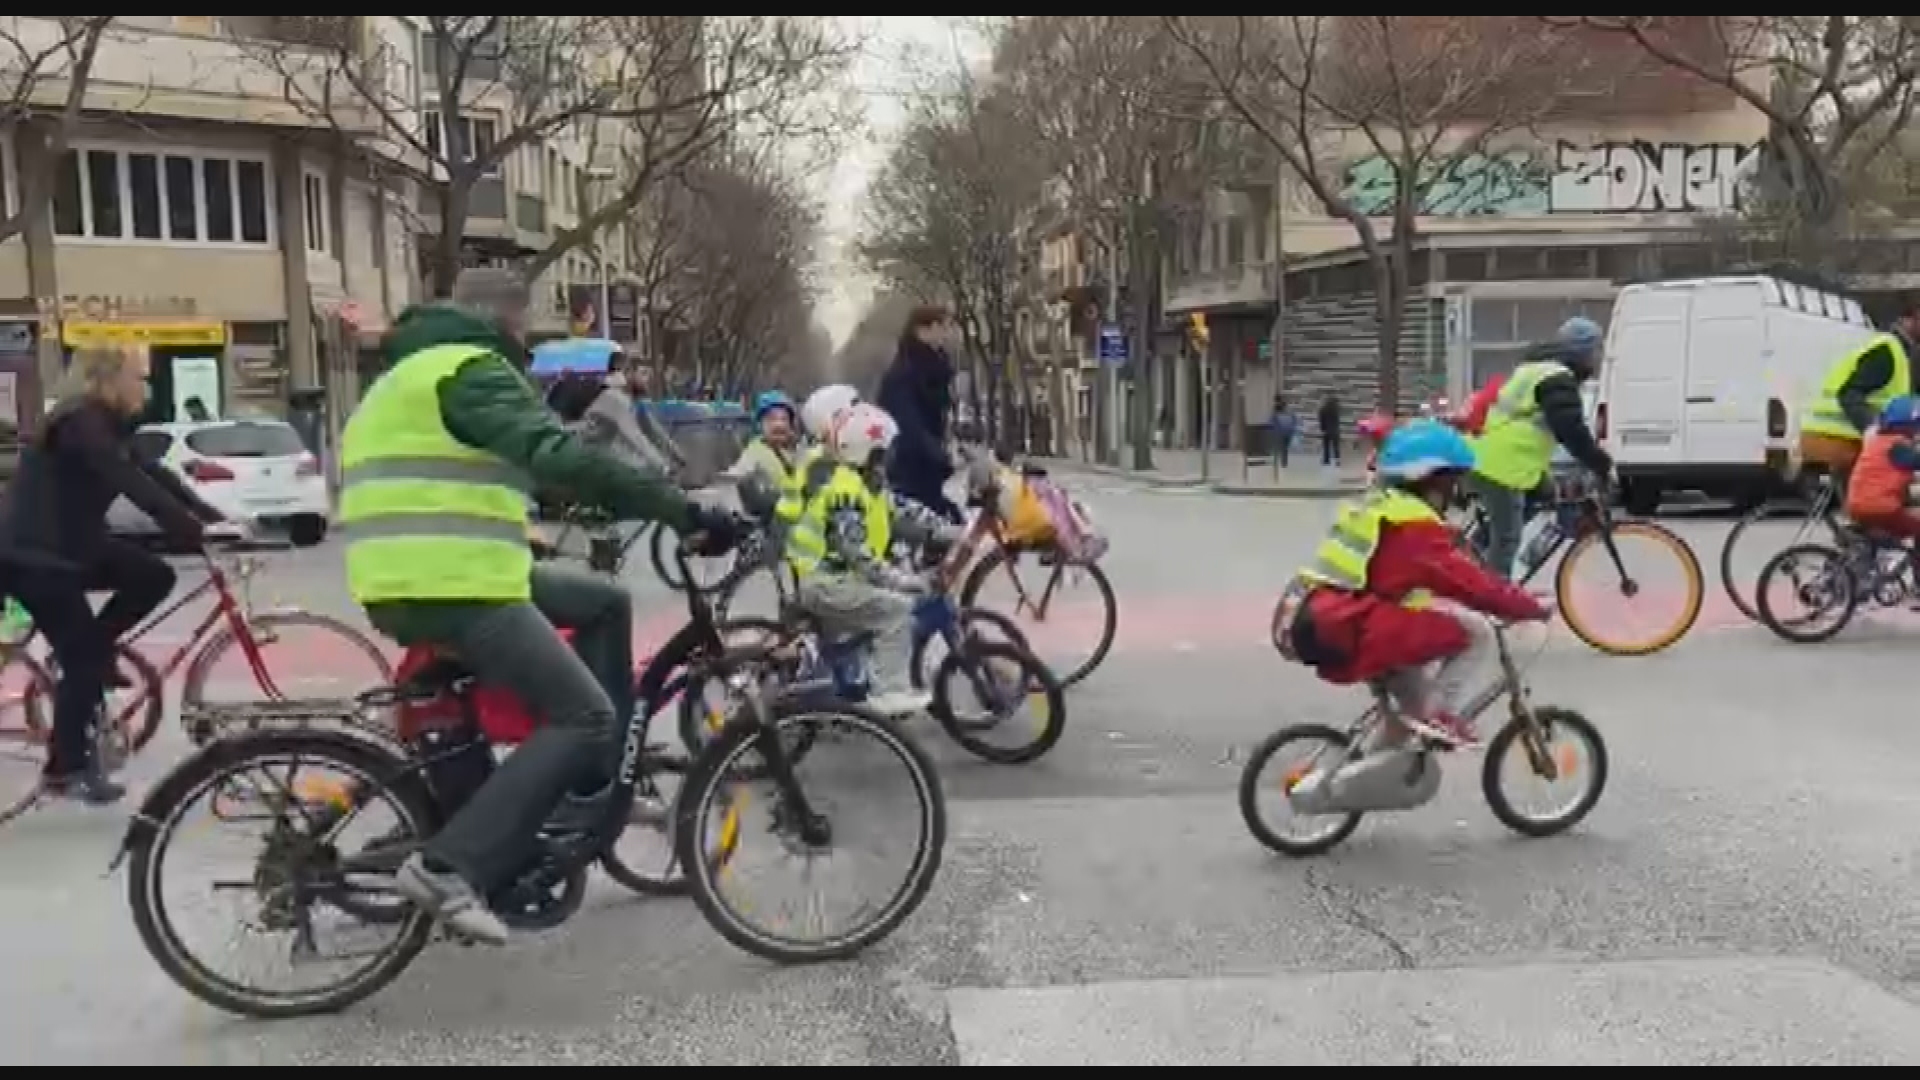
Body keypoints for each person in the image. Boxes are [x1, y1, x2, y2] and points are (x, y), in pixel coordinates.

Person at [341, 267, 739, 945]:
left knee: (604, 602)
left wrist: (602, 507)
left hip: (446, 569)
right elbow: (557, 454)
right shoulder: (469, 369)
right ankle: (448, 867)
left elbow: (537, 477)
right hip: (446, 580)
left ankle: (592, 780)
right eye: (524, 328)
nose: (525, 340)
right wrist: (677, 509)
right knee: (582, 714)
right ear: (508, 321)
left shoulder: (419, 370)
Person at [0, 344, 226, 803]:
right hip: (34, 556)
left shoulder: (110, 424)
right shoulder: (79, 422)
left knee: (153, 575)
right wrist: (188, 530)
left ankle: (95, 649)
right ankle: (66, 769)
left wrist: (211, 518)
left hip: (74, 547)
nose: (146, 386)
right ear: (108, 380)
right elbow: (128, 481)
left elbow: (154, 474)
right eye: (138, 377)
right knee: (81, 660)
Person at [1284, 421, 1549, 748]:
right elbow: (1470, 585)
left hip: (1331, 616)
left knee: (1408, 715)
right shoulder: (1413, 526)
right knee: (1476, 631)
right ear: (1432, 480)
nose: (1457, 491)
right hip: (1354, 625)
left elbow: (1405, 575)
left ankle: (1365, 776)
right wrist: (1528, 606)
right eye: (1453, 481)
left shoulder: (1382, 506)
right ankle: (1443, 715)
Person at [777, 402, 953, 717]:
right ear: (865, 452)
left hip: (833, 580)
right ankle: (889, 692)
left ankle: (844, 682)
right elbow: (857, 554)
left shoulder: (866, 483)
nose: (890, 457)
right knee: (896, 611)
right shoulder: (846, 491)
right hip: (827, 584)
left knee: (854, 635)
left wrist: (948, 529)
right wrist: (904, 581)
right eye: (882, 451)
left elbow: (901, 508)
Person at [1466, 316, 1612, 581]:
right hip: (1501, 468)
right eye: (1597, 351)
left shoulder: (1537, 369)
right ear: (1585, 352)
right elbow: (1571, 431)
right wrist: (1601, 463)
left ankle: (1477, 548)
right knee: (1507, 536)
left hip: (1502, 460)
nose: (1599, 358)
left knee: (1548, 493)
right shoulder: (1557, 379)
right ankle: (1494, 601)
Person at [1800, 298, 1920, 483]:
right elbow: (1849, 394)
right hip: (1838, 441)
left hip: (1846, 441)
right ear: (1907, 319)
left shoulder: (1902, 352)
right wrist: (1873, 428)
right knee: (1873, 502)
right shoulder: (1886, 351)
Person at [877, 305, 962, 523]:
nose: (947, 333)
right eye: (942, 326)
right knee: (939, 524)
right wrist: (934, 451)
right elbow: (907, 423)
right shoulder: (905, 372)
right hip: (911, 466)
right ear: (922, 330)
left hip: (928, 466)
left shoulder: (935, 368)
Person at [1843, 395, 1920, 541]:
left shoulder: (1880, 441)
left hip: (1859, 504)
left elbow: (1892, 473)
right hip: (1880, 507)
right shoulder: (1897, 446)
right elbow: (1915, 461)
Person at [721, 390, 800, 492]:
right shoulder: (755, 453)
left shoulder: (797, 451)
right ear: (759, 424)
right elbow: (735, 477)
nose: (779, 424)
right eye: (772, 419)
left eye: (784, 419)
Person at [1270, 396, 1298, 468]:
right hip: (1288, 432)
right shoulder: (1290, 412)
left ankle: (1280, 461)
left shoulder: (1276, 412)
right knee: (1284, 448)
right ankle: (1284, 462)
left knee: (1280, 447)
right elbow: (1294, 420)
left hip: (1280, 432)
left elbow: (1272, 421)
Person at [1318, 393, 1343, 467]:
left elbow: (1321, 420)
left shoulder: (1323, 409)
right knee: (1336, 446)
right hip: (1335, 430)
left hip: (1326, 430)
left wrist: (1322, 429)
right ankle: (1337, 460)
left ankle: (1326, 460)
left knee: (1326, 446)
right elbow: (1337, 420)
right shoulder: (1337, 409)